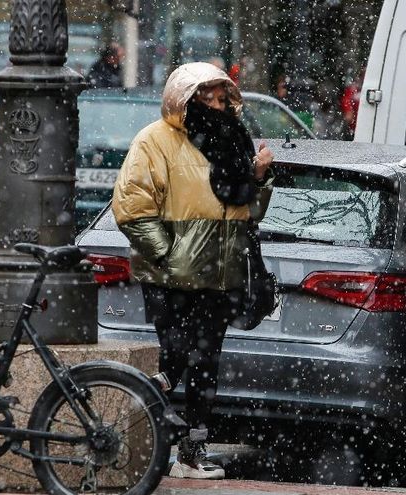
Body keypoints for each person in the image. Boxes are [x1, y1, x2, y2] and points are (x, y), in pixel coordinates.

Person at [112, 62, 274, 479]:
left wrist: (258, 178)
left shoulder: (234, 142)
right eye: (208, 97)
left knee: (207, 363)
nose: (218, 105)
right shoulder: (156, 141)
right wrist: (169, 256)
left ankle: (191, 451)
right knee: (177, 354)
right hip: (173, 279)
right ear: (184, 98)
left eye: (222, 97)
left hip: (220, 276)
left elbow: (248, 212)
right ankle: (154, 436)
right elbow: (131, 209)